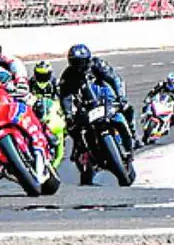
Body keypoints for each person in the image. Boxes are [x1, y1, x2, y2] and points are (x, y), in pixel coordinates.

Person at [58, 44, 137, 181]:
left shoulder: (98, 64)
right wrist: (68, 114)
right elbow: (65, 97)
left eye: (81, 62)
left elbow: (114, 79)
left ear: (87, 60)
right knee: (72, 127)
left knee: (127, 109)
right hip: (84, 107)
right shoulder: (68, 75)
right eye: (75, 63)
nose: (79, 66)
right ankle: (81, 150)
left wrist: (121, 97)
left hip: (105, 100)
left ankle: (132, 134)